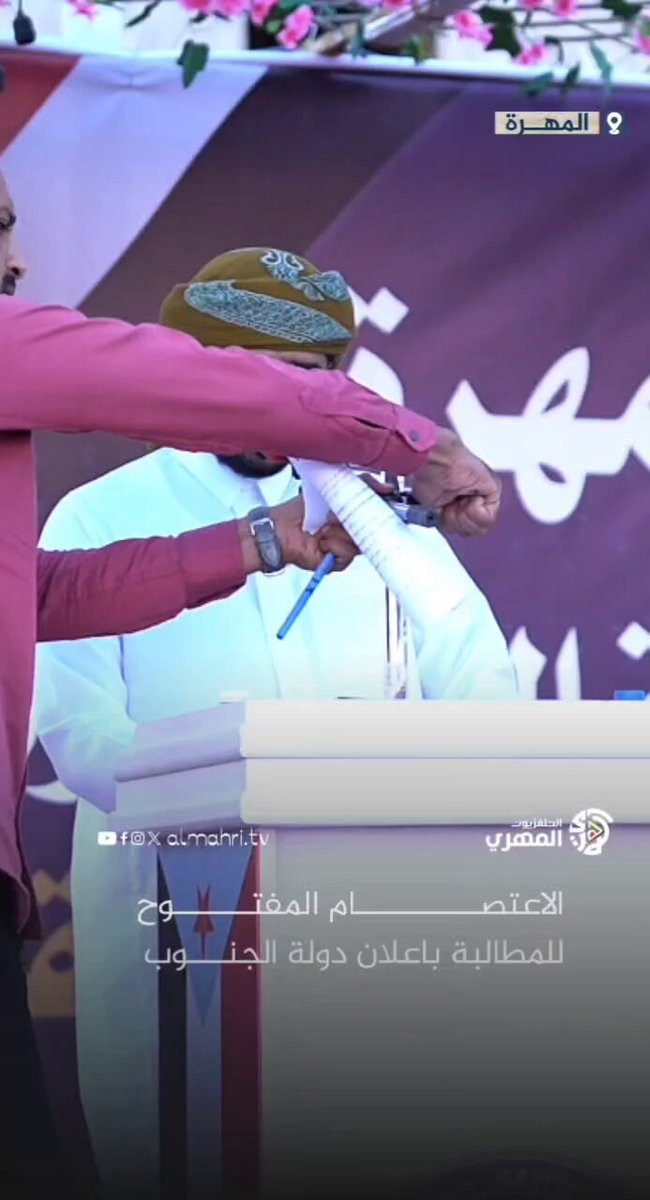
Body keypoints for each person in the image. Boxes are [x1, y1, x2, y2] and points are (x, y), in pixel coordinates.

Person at [0, 166, 499, 1194]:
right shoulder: (98, 506)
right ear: (207, 371)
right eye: (272, 382)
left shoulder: (374, 521)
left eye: (316, 378)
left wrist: (265, 541)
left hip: (362, 915)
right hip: (176, 917)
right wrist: (248, 793)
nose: (17, 261)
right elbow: (82, 738)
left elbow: (479, 684)